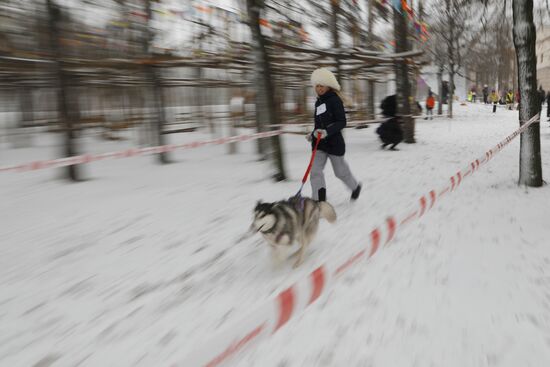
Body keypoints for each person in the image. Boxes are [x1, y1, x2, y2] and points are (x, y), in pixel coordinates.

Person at [306, 68, 361, 202]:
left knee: (340, 172)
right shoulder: (318, 102)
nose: (319, 89)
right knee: (315, 171)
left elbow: (342, 122)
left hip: (334, 144)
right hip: (320, 144)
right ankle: (319, 200)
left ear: (328, 85)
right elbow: (318, 123)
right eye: (317, 86)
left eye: (322, 86)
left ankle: (355, 187)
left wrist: (327, 131)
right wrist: (313, 133)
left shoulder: (335, 100)